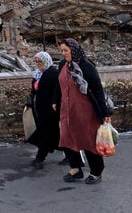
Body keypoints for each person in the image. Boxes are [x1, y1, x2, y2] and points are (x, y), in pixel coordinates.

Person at [52, 37, 112, 185]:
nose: (64, 53)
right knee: (67, 138)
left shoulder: (87, 67)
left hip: (86, 112)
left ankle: (96, 171)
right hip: (67, 110)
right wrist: (55, 100)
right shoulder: (63, 65)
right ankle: (75, 168)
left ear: (74, 50)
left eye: (66, 50)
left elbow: (98, 91)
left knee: (89, 140)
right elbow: (58, 85)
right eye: (62, 51)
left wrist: (105, 113)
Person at [26, 50, 60, 169]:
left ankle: (40, 157)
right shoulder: (37, 74)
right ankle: (70, 154)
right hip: (39, 109)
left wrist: (54, 104)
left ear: (46, 60)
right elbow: (34, 90)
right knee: (54, 135)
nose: (38, 63)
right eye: (36, 61)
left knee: (46, 133)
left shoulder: (53, 73)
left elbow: (57, 91)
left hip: (50, 110)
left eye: (40, 61)